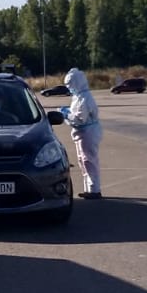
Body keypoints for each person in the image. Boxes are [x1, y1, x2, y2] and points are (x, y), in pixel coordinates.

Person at [63, 68, 102, 199]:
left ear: (76, 83)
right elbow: (76, 114)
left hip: (88, 132)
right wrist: (68, 112)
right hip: (82, 133)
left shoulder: (85, 98)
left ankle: (94, 190)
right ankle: (89, 189)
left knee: (89, 161)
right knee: (83, 161)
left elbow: (79, 119)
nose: (69, 88)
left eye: (70, 85)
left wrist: (65, 115)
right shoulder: (78, 96)